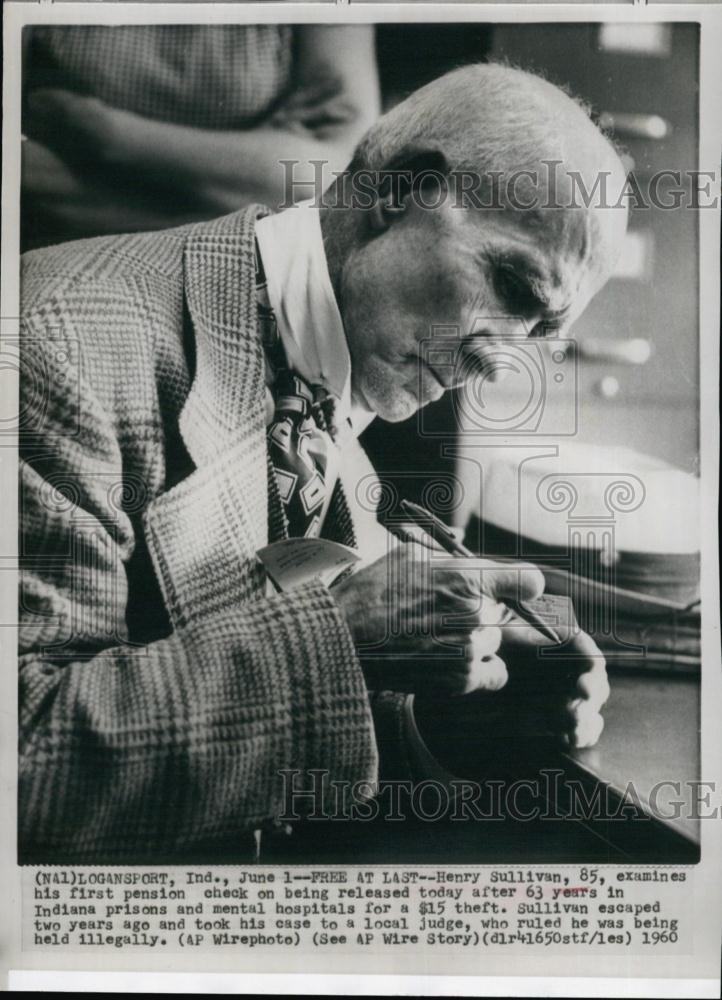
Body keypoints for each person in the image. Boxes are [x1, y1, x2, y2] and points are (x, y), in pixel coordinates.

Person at [19, 63, 625, 863]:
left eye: (540, 332)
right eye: (511, 286)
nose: (499, 364)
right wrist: (343, 637)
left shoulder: (327, 357)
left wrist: (454, 705)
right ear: (401, 193)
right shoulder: (51, 347)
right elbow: (26, 768)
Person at [21, 24, 379, 248]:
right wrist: (252, 181)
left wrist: (105, 135)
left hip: (247, 275)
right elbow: (18, 173)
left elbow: (334, 179)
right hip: (53, 253)